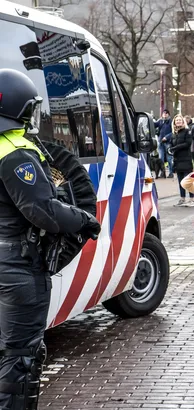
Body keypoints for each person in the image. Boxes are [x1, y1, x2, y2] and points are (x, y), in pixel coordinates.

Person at [0, 69, 101, 409]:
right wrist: (85, 220)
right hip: (17, 268)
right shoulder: (16, 153)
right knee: (21, 360)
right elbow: (43, 210)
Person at [169, 114, 194, 207]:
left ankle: (192, 199)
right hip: (177, 159)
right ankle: (182, 198)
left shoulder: (187, 131)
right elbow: (171, 144)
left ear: (183, 121)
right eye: (177, 120)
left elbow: (187, 143)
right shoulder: (173, 133)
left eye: (180, 120)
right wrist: (170, 149)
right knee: (180, 181)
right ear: (174, 123)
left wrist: (175, 148)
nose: (178, 122)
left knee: (188, 180)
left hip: (186, 158)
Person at [155, 109, 174, 177]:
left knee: (169, 158)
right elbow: (154, 125)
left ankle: (171, 173)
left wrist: (167, 137)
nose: (164, 115)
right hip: (160, 142)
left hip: (168, 142)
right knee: (161, 158)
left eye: (166, 113)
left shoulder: (171, 122)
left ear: (168, 114)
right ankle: (162, 172)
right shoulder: (160, 121)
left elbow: (173, 132)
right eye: (163, 113)